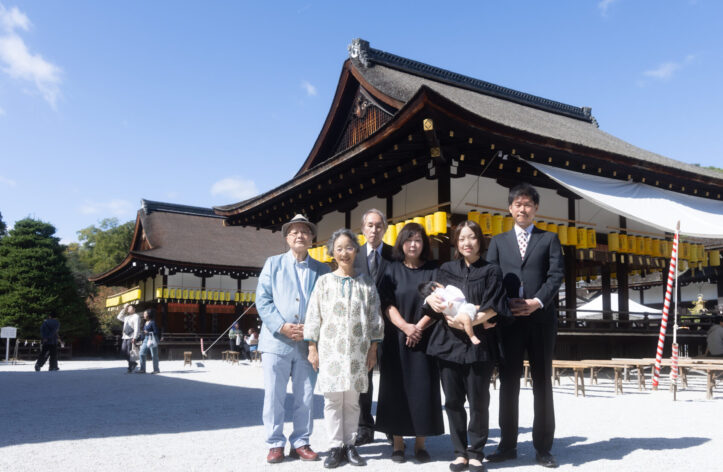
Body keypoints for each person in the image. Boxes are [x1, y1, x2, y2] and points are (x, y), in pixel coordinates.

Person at [486, 183, 564, 469]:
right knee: (508, 384)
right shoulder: (498, 241)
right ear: (510, 208)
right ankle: (507, 445)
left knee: (542, 382)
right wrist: (504, 306)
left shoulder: (549, 239)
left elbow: (556, 276)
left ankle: (544, 448)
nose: (523, 209)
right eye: (518, 204)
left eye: (528, 204)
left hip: (541, 320)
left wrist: (537, 302)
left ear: (536, 209)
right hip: (509, 322)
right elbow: (491, 279)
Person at [425, 221, 510, 472]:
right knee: (452, 400)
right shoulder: (446, 269)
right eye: (462, 238)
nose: (467, 243)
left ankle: (476, 452)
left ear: (480, 241)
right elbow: (435, 301)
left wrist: (469, 322)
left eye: (472, 237)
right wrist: (432, 299)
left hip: (478, 345)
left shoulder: (492, 270)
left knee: (478, 400)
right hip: (447, 344)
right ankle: (459, 452)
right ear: (456, 242)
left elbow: (495, 305)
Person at [304, 228, 385, 468]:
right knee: (331, 401)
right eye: (338, 248)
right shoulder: (324, 282)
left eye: (348, 247)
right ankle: (334, 446)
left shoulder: (366, 282)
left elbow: (375, 317)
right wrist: (312, 347)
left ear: (356, 251)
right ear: (332, 253)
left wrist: (373, 349)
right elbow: (313, 316)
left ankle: (349, 444)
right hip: (330, 351)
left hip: (358, 352)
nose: (344, 253)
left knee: (352, 401)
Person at [256, 214, 331, 464]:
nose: (300, 235)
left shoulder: (322, 269)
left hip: (308, 344)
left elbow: (326, 305)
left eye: (305, 232)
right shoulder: (273, 264)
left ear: (312, 238)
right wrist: (282, 326)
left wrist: (311, 331)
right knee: (274, 394)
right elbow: (263, 300)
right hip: (276, 342)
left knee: (306, 394)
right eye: (294, 232)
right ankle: (275, 442)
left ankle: (301, 440)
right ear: (287, 237)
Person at [375, 222, 443, 463]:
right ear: (401, 243)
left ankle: (421, 444)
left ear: (424, 244)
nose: (413, 244)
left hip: (425, 339)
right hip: (396, 339)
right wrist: (404, 327)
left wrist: (418, 328)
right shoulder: (391, 269)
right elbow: (386, 303)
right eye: (408, 239)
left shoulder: (434, 271)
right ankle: (398, 443)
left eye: (418, 240)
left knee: (423, 389)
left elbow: (440, 304)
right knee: (396, 389)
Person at [352, 208, 394, 446]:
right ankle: (364, 426)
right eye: (369, 225)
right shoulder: (354, 256)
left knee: (389, 376)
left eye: (379, 225)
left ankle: (389, 424)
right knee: (363, 379)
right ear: (363, 228)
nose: (374, 230)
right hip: (361, 328)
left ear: (384, 229)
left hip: (389, 325)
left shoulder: (394, 255)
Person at [118, 303, 141, 372]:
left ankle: (130, 366)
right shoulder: (127, 317)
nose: (128, 308)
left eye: (129, 307)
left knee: (129, 352)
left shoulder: (136, 316)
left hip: (131, 336)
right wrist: (124, 309)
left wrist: (135, 337)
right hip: (125, 336)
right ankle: (133, 363)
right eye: (128, 308)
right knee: (123, 351)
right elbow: (119, 317)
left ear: (134, 309)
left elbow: (137, 327)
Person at [137, 308, 161, 374]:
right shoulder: (145, 322)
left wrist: (148, 332)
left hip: (152, 339)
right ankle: (142, 369)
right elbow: (143, 333)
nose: (144, 315)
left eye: (145, 313)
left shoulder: (152, 322)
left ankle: (156, 369)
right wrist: (139, 339)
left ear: (149, 314)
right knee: (141, 353)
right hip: (146, 339)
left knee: (154, 355)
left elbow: (156, 332)